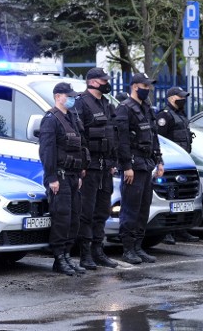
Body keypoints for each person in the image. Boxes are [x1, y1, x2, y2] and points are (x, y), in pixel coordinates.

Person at [38, 82, 89, 276]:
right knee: (62, 218)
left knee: (74, 218)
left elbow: (79, 146)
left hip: (73, 175)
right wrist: (52, 178)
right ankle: (59, 258)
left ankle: (67, 255)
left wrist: (81, 170)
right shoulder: (51, 119)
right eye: (69, 96)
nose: (72, 99)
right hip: (58, 176)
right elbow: (46, 151)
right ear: (58, 96)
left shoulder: (71, 118)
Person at [115, 73, 163, 265]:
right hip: (133, 165)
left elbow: (154, 136)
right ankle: (128, 249)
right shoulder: (124, 109)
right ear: (135, 86)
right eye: (145, 86)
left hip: (147, 164)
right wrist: (126, 166)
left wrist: (159, 161)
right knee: (130, 209)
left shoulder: (147, 108)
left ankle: (138, 247)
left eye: (149, 86)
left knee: (143, 208)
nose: (148, 89)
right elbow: (122, 140)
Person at [73, 68, 118, 269]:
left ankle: (98, 251)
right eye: (103, 80)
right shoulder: (81, 103)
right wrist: (83, 165)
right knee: (87, 212)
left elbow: (112, 135)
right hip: (89, 167)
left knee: (102, 211)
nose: (106, 83)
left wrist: (113, 163)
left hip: (105, 166)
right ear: (92, 81)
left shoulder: (106, 104)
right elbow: (79, 137)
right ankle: (85, 254)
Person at [156, 86, 199, 244]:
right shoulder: (164, 116)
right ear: (170, 98)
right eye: (180, 97)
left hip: (182, 163)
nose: (183, 99)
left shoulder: (180, 114)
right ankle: (167, 232)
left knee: (182, 197)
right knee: (170, 196)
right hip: (169, 165)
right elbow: (160, 141)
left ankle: (181, 230)